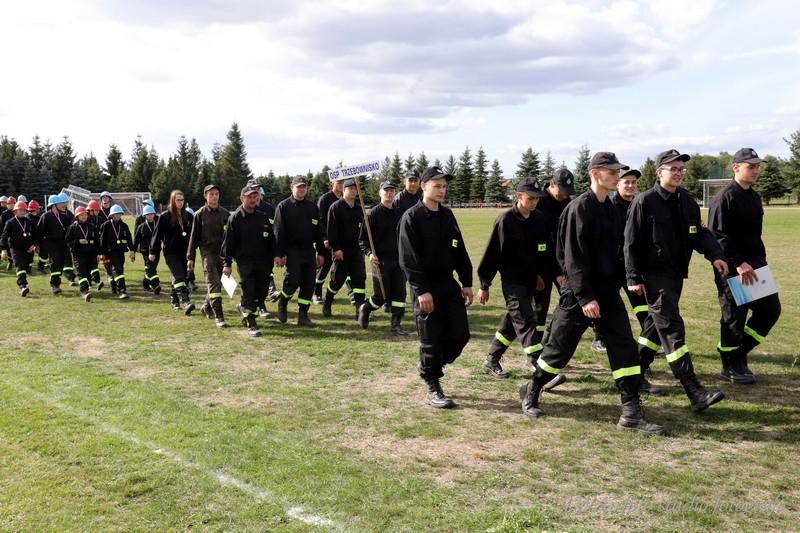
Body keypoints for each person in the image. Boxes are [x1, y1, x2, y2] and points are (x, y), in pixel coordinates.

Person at [519, 152, 664, 435]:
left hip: (608, 293)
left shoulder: (610, 208)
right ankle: (532, 390)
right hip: (578, 297)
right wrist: (585, 297)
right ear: (595, 174)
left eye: (618, 172)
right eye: (612, 172)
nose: (617, 176)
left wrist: (630, 278)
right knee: (558, 352)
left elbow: (620, 251)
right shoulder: (578, 209)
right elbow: (572, 258)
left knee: (624, 348)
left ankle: (631, 413)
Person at [625, 148, 727, 412]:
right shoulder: (644, 202)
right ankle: (694, 391)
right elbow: (631, 243)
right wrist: (633, 276)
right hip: (654, 277)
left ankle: (632, 376)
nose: (679, 173)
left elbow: (699, 234)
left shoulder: (687, 201)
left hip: (675, 276)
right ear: (659, 172)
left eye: (682, 169)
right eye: (674, 169)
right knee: (671, 328)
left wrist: (715, 255)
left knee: (653, 328)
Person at [399, 166, 473, 409]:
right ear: (423, 186)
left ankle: (429, 366)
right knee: (431, 338)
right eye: (437, 186)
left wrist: (467, 282)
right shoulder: (411, 217)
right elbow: (408, 258)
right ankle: (433, 385)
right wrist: (422, 290)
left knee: (461, 335)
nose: (442, 190)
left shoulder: (447, 215)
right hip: (425, 287)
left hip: (448, 284)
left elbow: (459, 249)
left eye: (444, 186)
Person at [708, 147, 781, 384]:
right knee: (734, 319)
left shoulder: (754, 196)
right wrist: (738, 263)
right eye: (751, 167)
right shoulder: (724, 198)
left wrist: (759, 262)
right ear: (736, 167)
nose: (756, 171)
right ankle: (729, 365)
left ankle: (740, 353)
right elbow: (718, 237)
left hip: (755, 266)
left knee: (770, 310)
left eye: (757, 167)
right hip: (733, 269)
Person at [476, 176, 554, 378]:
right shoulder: (505, 221)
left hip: (531, 281)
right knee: (526, 321)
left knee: (512, 322)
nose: (535, 202)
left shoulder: (539, 219)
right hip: (512, 283)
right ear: (519, 195)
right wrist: (484, 285)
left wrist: (539, 274)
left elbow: (542, 249)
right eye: (531, 198)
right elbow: (492, 254)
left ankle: (491, 359)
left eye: (537, 198)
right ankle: (542, 369)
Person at [531, 169, 574, 367]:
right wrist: (539, 273)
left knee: (569, 302)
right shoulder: (538, 202)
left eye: (568, 192)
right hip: (541, 264)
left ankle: (549, 341)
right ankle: (535, 350)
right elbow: (538, 242)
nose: (564, 195)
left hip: (562, 263)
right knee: (539, 308)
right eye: (561, 191)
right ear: (551, 184)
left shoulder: (567, 202)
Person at [222, 184, 276, 337]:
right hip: (245, 262)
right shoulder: (235, 218)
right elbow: (228, 243)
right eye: (249, 197)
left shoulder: (262, 216)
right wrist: (227, 264)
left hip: (263, 261)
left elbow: (271, 239)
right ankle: (251, 323)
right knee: (249, 291)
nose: (253, 199)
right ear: (242, 199)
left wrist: (278, 255)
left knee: (262, 292)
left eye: (255, 196)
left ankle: (243, 307)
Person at [357, 180, 409, 336]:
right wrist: (370, 254)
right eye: (386, 190)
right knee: (381, 297)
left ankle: (396, 325)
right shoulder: (372, 214)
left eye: (392, 190)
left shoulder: (400, 213)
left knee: (400, 294)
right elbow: (363, 240)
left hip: (398, 261)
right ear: (380, 193)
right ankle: (365, 308)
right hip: (380, 261)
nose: (389, 193)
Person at [274, 175, 326, 327]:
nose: (302, 189)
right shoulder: (283, 206)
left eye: (304, 186)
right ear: (292, 187)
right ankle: (283, 303)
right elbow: (279, 232)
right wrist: (280, 254)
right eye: (299, 187)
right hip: (292, 250)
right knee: (293, 280)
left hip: (308, 250)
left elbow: (318, 232)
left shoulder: (312, 207)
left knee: (309, 284)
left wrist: (321, 252)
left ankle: (303, 315)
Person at [322, 178, 366, 319]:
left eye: (355, 189)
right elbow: (332, 230)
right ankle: (328, 302)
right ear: (344, 190)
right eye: (350, 188)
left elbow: (364, 230)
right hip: (341, 250)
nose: (353, 191)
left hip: (356, 250)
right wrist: (336, 248)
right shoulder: (336, 207)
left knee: (359, 280)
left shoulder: (359, 208)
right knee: (337, 280)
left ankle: (359, 309)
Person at [187, 184, 230, 327]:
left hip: (222, 253)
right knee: (213, 283)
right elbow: (193, 237)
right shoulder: (199, 214)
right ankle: (219, 316)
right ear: (205, 196)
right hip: (207, 252)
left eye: (216, 194)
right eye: (211, 194)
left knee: (219, 282)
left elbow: (232, 234)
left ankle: (206, 306)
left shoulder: (225, 213)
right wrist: (190, 257)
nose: (214, 196)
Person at [150, 190, 195, 315]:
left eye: (182, 200)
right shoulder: (165, 216)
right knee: (179, 276)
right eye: (178, 200)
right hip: (171, 252)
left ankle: (174, 299)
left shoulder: (189, 216)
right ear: (172, 201)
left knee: (182, 277)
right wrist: (153, 251)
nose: (180, 202)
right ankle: (186, 302)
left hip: (185, 252)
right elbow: (157, 235)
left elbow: (193, 235)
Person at [37, 193, 76, 293]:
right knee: (55, 263)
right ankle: (55, 285)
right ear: (54, 205)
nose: (62, 205)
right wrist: (38, 244)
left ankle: (56, 280)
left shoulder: (64, 217)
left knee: (61, 264)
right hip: (51, 244)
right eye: (59, 203)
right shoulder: (45, 216)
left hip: (63, 244)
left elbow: (70, 229)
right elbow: (39, 231)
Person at [314, 177, 344, 304]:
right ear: (332, 183)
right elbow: (320, 220)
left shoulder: (344, 199)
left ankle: (354, 296)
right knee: (324, 267)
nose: (341, 185)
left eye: (343, 182)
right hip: (327, 240)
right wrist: (324, 238)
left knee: (343, 267)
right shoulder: (324, 199)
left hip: (341, 241)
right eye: (339, 182)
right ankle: (316, 292)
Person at [0, 200, 36, 296]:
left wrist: (33, 245)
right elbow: (3, 237)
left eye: (24, 210)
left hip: (28, 249)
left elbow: (34, 235)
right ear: (15, 211)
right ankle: (23, 286)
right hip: (15, 248)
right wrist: (3, 250)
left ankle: (24, 280)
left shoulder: (29, 222)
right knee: (20, 265)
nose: (22, 212)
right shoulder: (10, 223)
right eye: (20, 210)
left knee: (26, 266)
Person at [65, 206, 99, 302]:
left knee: (87, 272)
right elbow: (67, 242)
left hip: (90, 254)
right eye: (81, 215)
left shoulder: (91, 227)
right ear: (77, 216)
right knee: (81, 272)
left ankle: (87, 286)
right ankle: (84, 291)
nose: (84, 217)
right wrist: (78, 241)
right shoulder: (72, 227)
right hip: (77, 254)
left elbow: (97, 241)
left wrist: (97, 253)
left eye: (85, 215)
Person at [99, 204, 132, 300]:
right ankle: (122, 291)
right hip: (110, 252)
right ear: (112, 215)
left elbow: (129, 239)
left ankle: (113, 285)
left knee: (119, 269)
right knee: (118, 270)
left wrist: (132, 250)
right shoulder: (106, 225)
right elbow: (102, 240)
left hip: (121, 251)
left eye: (120, 214)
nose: (118, 216)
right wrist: (101, 253)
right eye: (116, 214)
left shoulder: (124, 226)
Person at [133, 204, 161, 294]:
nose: (150, 216)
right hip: (145, 251)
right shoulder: (141, 227)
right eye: (148, 214)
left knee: (151, 268)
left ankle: (145, 283)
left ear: (154, 214)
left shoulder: (158, 225)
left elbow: (163, 237)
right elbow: (136, 240)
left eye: (151, 214)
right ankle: (156, 285)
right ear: (144, 216)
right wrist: (133, 251)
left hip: (157, 250)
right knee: (151, 268)